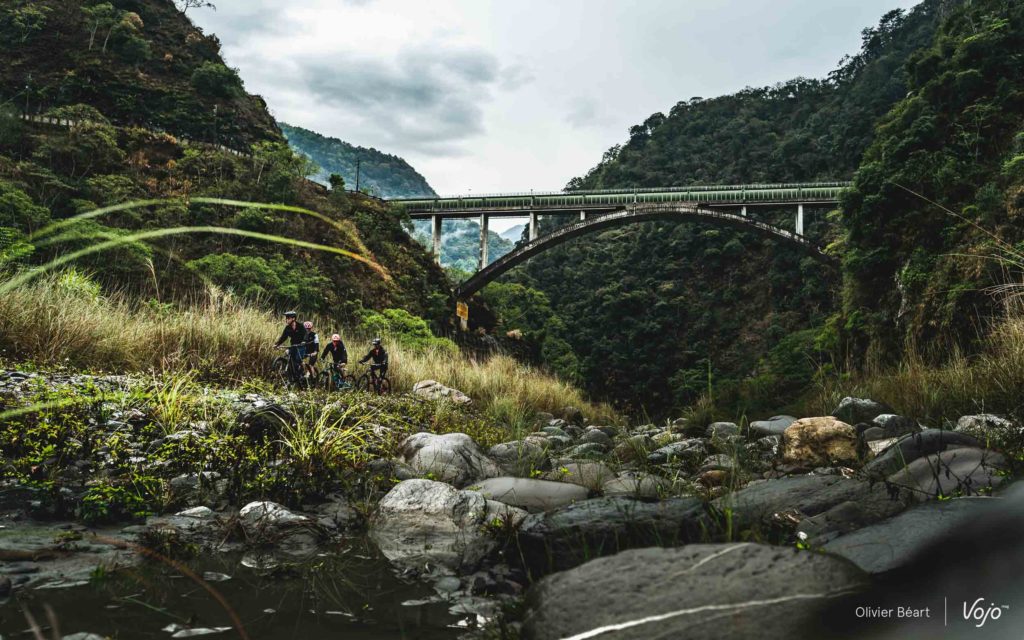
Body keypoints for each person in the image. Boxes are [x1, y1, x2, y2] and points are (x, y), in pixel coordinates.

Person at [274, 311, 307, 381]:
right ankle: (290, 373)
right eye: (286, 318)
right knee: (288, 354)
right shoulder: (287, 328)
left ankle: (303, 373)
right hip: (293, 346)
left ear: (293, 318)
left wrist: (304, 341)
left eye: (288, 318)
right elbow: (283, 337)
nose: (286, 320)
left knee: (298, 359)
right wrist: (277, 344)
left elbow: (306, 334)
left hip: (301, 346)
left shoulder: (300, 326)